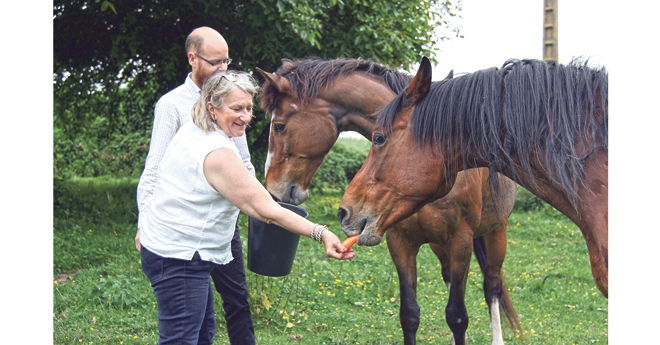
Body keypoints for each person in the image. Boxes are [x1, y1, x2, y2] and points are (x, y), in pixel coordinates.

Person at [139, 70, 355, 344]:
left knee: (202, 334)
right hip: (180, 259)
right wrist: (322, 233)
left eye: (249, 108)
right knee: (181, 340)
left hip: (172, 248)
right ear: (212, 108)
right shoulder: (218, 153)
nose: (245, 116)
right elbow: (268, 211)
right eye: (236, 108)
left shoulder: (193, 130)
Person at [136, 27, 256, 343]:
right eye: (215, 63)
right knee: (199, 317)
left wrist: (257, 205)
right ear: (193, 59)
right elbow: (153, 172)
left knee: (238, 302)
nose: (223, 70)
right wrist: (144, 221)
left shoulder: (231, 102)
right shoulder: (172, 105)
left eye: (226, 62)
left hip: (223, 229)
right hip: (186, 231)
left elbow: (244, 164)